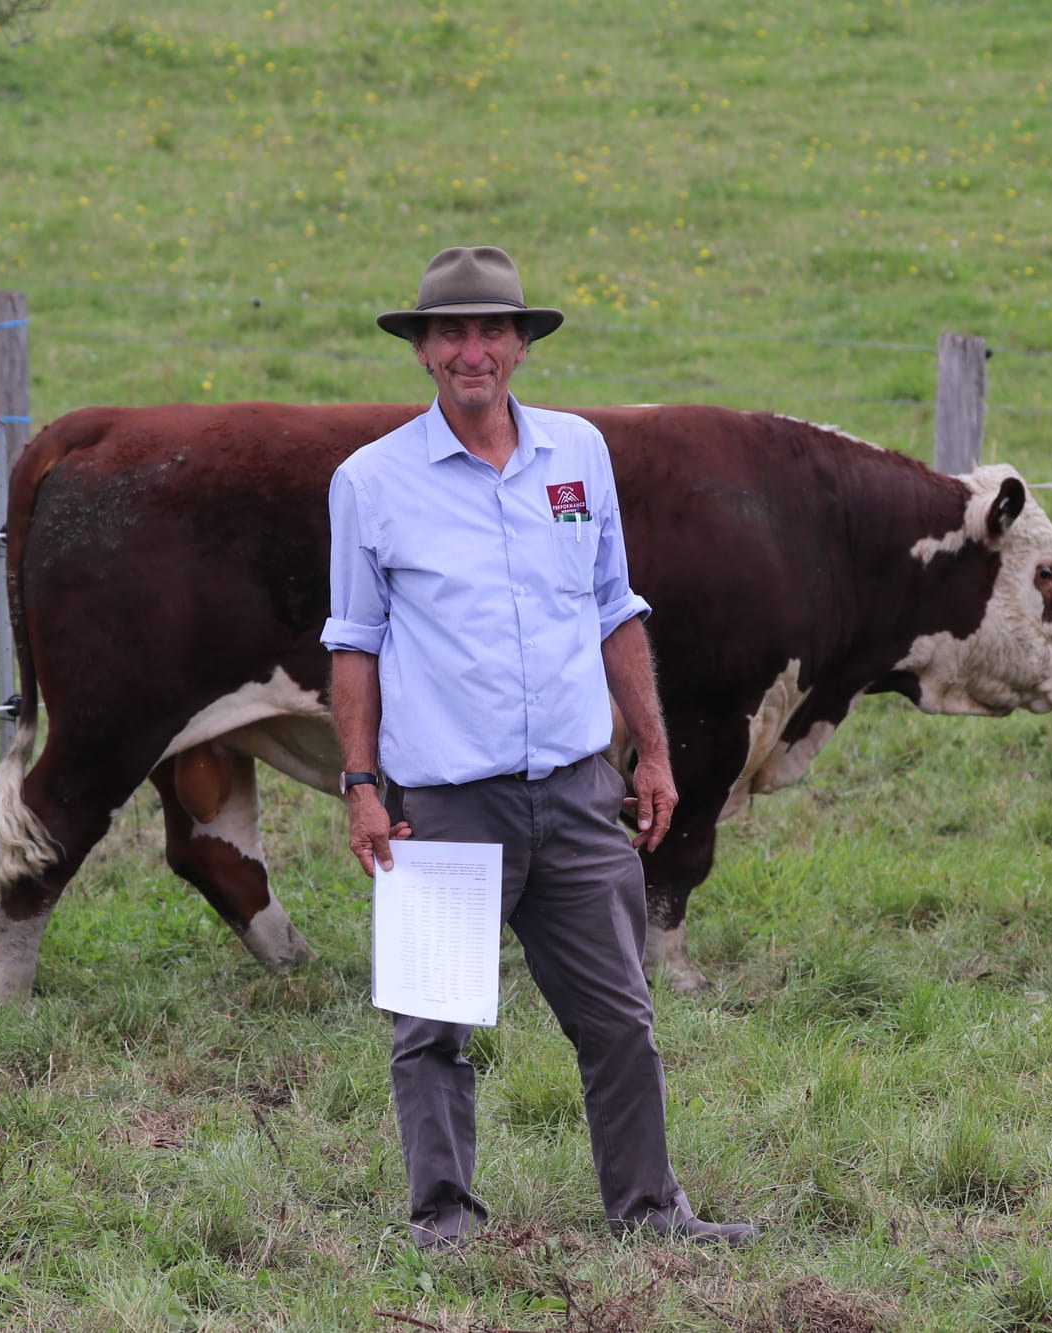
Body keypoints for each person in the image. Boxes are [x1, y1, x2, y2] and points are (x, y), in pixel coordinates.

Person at [321, 245, 756, 1251]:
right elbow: (353, 642)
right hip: (443, 801)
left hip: (573, 791)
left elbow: (613, 609)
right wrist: (358, 784)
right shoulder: (371, 482)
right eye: (448, 334)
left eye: (490, 331)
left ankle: (649, 1213)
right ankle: (443, 1218)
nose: (470, 351)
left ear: (520, 343)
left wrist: (649, 752)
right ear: (422, 350)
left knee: (620, 1019)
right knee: (432, 1024)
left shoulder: (578, 456)